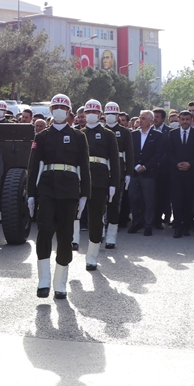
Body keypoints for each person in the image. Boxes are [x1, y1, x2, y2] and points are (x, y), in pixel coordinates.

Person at [26, 94, 91, 299]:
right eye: (55, 107)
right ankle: (43, 280)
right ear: (51, 111)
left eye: (63, 108)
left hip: (70, 190)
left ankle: (60, 283)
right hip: (47, 187)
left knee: (65, 236)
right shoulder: (42, 136)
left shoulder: (79, 137)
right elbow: (33, 165)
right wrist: (31, 194)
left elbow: (84, 167)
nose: (59, 111)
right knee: (44, 230)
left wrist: (84, 195)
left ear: (69, 112)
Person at [76, 100, 120, 271]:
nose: (91, 114)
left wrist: (113, 183)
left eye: (95, 111)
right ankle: (72, 242)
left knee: (96, 218)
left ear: (100, 114)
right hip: (80, 178)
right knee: (73, 215)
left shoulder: (108, 135)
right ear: (85, 114)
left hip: (100, 180)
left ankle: (92, 256)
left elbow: (114, 162)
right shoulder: (78, 133)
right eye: (88, 111)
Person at [166, 109, 194, 238]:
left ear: (191, 120)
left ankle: (186, 225)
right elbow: (169, 152)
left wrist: (190, 164)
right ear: (179, 120)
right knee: (177, 200)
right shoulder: (172, 133)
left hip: (191, 172)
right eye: (182, 119)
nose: (185, 122)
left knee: (189, 200)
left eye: (187, 119)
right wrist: (177, 163)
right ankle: (177, 225)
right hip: (176, 172)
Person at [128, 110, 166, 236]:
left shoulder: (158, 135)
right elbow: (130, 152)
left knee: (149, 199)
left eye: (143, 118)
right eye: (140, 118)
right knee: (133, 197)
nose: (140, 120)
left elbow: (158, 154)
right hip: (135, 172)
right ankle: (137, 221)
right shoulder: (133, 134)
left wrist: (145, 166)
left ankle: (148, 224)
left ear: (151, 121)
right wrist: (136, 165)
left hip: (149, 172)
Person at [103, 101, 134, 250]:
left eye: (113, 114)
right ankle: (100, 230)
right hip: (101, 170)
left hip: (119, 171)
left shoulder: (125, 132)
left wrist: (128, 173)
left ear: (118, 115)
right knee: (100, 204)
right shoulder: (100, 130)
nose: (110, 116)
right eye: (107, 113)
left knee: (114, 204)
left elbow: (129, 153)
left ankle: (111, 236)